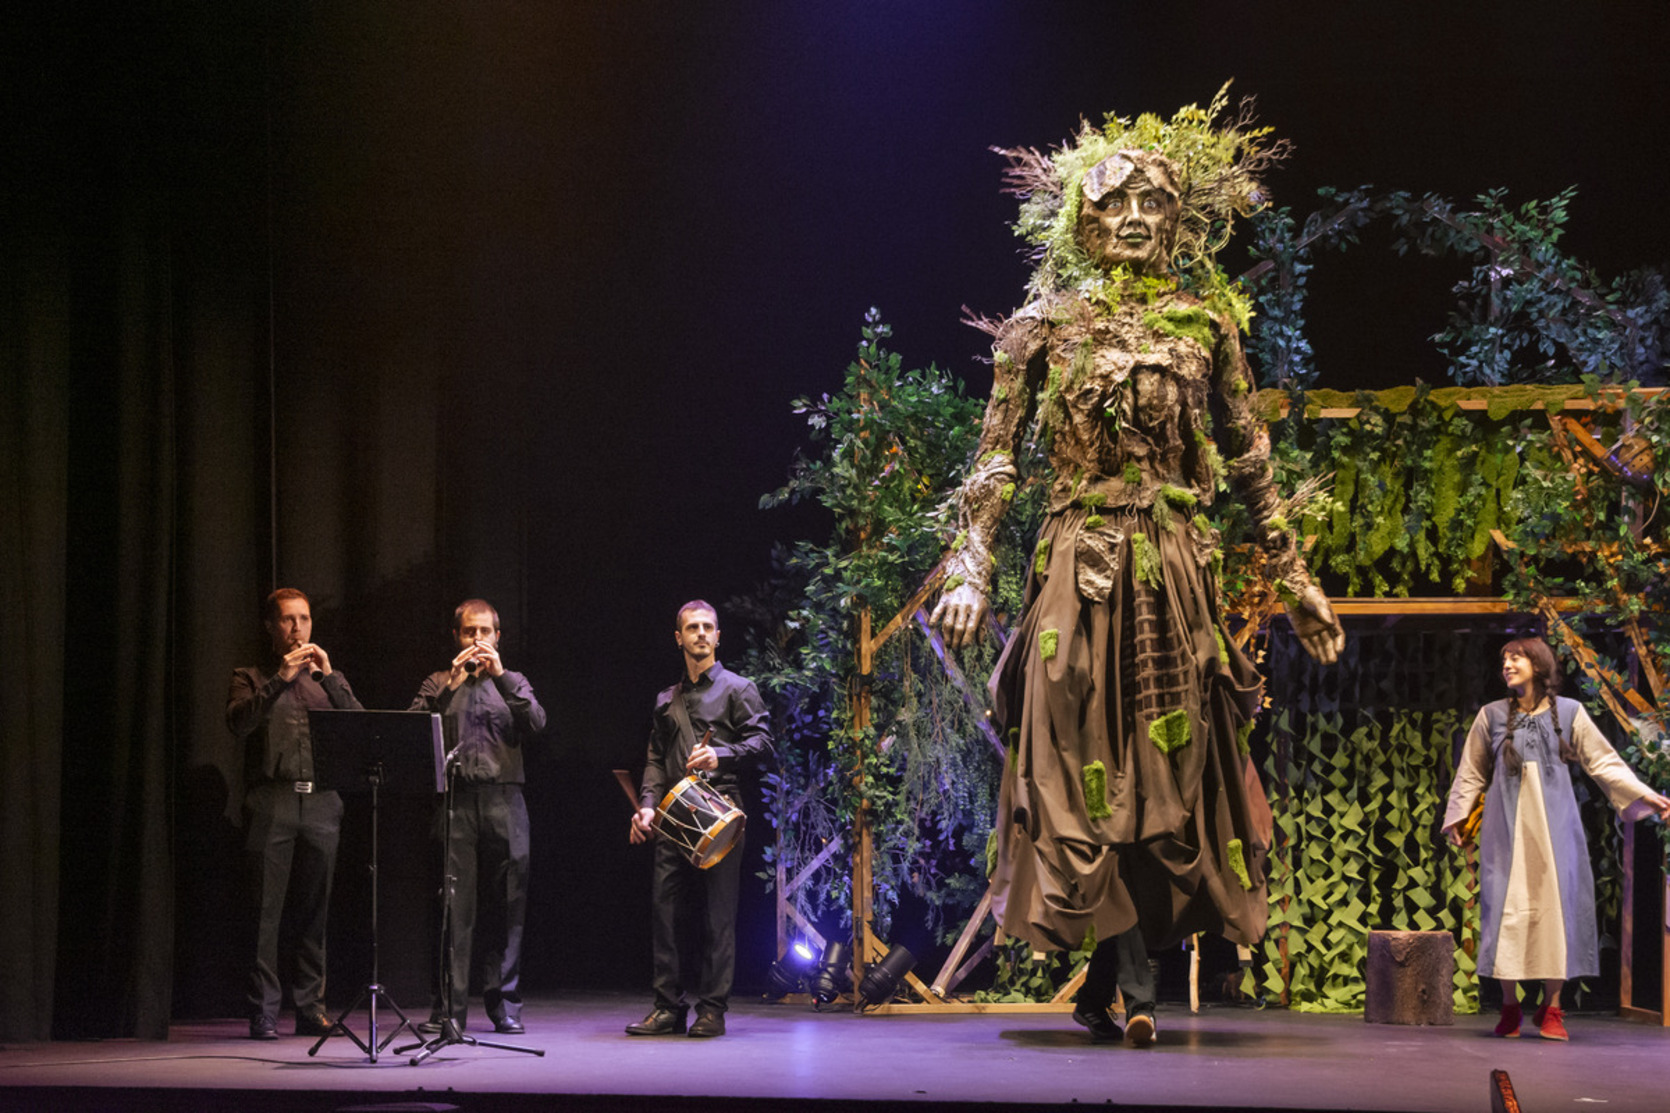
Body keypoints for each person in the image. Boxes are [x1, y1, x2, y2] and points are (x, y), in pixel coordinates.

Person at [930, 113, 1344, 1046]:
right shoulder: (1039, 329)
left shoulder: (1207, 327)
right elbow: (995, 456)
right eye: (1112, 200)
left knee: (1170, 773)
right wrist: (971, 561)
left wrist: (1293, 570)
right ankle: (1131, 980)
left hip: (1174, 575)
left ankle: (1114, 978)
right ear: (1082, 219)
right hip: (1078, 572)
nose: (1132, 216)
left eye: (1153, 201)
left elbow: (1247, 454)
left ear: (1177, 222)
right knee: (1074, 768)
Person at [1443, 637, 1670, 1040]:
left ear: (1539, 664)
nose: (1508, 664)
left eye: (1516, 657)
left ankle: (1553, 1008)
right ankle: (1510, 1007)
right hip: (1505, 832)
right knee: (1506, 913)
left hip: (1555, 830)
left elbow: (1603, 762)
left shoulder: (1570, 712)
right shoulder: (1492, 715)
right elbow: (1471, 770)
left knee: (1556, 912)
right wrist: (1458, 816)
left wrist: (1645, 794)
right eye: (1505, 658)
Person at [626, 600, 774, 1038]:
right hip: (673, 815)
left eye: (708, 627)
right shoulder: (665, 699)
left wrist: (721, 754)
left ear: (718, 636)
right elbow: (655, 758)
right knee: (665, 912)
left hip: (720, 812)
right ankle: (667, 1007)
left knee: (717, 917)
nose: (701, 634)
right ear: (679, 637)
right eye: (692, 627)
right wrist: (648, 804)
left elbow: (764, 743)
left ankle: (712, 1009)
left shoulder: (738, 688)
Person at [227, 587, 363, 1039]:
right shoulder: (250, 676)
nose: (298, 628)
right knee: (264, 914)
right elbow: (238, 723)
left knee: (314, 913)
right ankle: (264, 1011)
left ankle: (311, 1009)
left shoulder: (325, 681)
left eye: (304, 619)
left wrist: (331, 677)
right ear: (271, 626)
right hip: (273, 801)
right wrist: (278, 680)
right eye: (288, 620)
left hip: (322, 802)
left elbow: (362, 728)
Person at [411, 599, 548, 1035]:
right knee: (454, 909)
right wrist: (451, 685)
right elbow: (413, 731)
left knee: (508, 906)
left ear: (497, 637)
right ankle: (448, 1009)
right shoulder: (437, 682)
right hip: (455, 802)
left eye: (485, 632)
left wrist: (500, 675)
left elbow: (537, 723)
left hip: (505, 802)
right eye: (470, 632)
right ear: (456, 637)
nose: (477, 640)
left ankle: (504, 1004)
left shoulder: (515, 681)